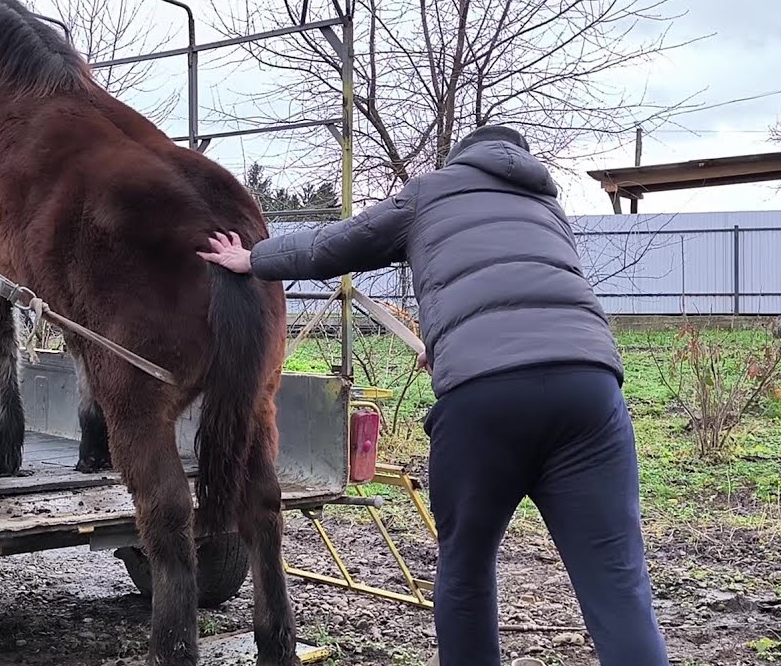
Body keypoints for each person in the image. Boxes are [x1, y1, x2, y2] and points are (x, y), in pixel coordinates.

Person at [198, 125, 669, 666]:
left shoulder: (432, 190)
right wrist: (446, 344)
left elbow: (334, 245)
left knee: (466, 571)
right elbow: (532, 298)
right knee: (619, 585)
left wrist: (253, 259)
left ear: (460, 158)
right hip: (589, 392)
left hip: (484, 403)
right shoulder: (545, 207)